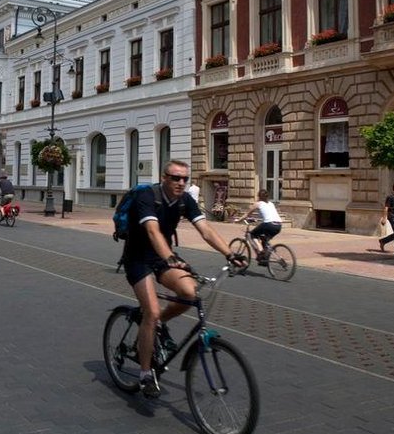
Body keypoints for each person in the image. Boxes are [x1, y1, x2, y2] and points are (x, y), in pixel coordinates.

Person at [119, 159, 244, 398]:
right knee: (151, 311)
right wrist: (169, 257)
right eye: (175, 178)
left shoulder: (185, 200)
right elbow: (152, 231)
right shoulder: (148, 196)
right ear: (164, 177)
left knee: (189, 293)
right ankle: (145, 374)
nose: (180, 183)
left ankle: (157, 324)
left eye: (185, 178)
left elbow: (205, 230)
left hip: (163, 257)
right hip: (138, 258)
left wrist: (229, 253)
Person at [238, 189, 282, 264]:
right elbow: (269, 214)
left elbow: (247, 214)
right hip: (278, 225)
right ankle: (266, 258)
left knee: (252, 234)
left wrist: (238, 220)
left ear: (259, 196)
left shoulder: (258, 204)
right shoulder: (271, 203)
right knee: (264, 240)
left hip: (268, 224)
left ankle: (261, 252)